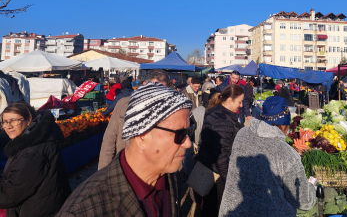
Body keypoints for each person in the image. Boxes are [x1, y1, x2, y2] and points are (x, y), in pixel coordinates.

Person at [57, 83, 192, 217]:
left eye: (189, 131)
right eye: (180, 134)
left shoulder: (170, 177)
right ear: (142, 135)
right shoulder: (81, 210)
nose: (188, 143)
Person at [218, 96, 316, 217]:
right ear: (284, 125)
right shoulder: (285, 152)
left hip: (233, 212)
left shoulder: (242, 134)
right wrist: (312, 187)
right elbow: (303, 202)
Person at [0, 102, 71, 216]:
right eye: (5, 122)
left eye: (14, 120)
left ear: (28, 120)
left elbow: (7, 196)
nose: (8, 125)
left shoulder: (32, 154)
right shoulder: (33, 141)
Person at [98, 69, 169, 170]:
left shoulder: (168, 111)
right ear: (144, 85)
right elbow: (109, 141)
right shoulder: (123, 104)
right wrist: (103, 172)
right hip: (124, 168)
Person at [197, 84, 244, 216]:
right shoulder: (222, 120)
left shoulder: (219, 113)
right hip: (217, 175)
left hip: (212, 169)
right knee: (215, 208)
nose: (240, 106)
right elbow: (221, 156)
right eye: (239, 102)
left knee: (209, 207)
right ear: (230, 100)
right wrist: (228, 178)